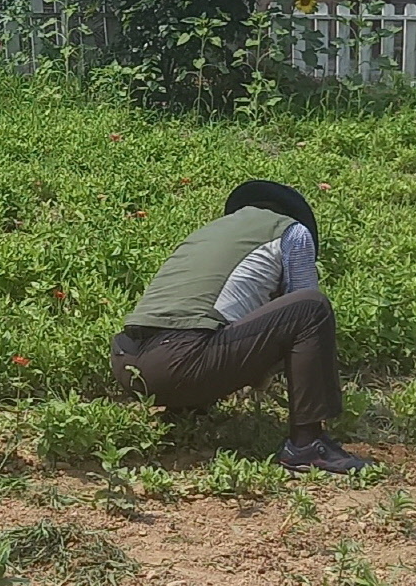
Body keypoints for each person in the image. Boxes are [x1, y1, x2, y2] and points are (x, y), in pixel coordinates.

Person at [111, 181, 367, 475]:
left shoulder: (208, 234)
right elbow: (300, 302)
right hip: (178, 366)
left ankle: (187, 413)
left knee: (207, 321)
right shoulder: (293, 231)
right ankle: (308, 444)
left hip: (126, 361)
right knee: (312, 308)